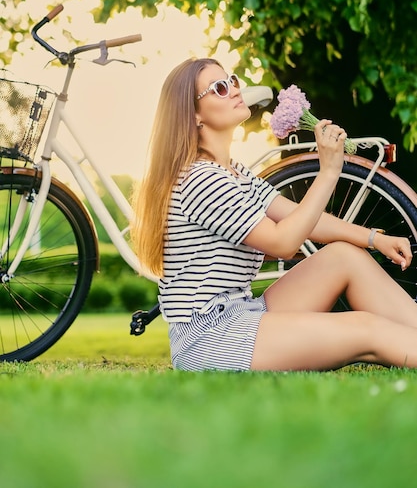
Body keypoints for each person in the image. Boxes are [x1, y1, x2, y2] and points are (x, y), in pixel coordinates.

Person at [132, 57, 417, 372]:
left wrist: (375, 238)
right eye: (219, 88)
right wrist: (328, 172)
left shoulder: (232, 172)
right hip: (210, 337)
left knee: (344, 257)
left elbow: (300, 217)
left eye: (233, 80)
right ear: (194, 115)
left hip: (244, 311)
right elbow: (283, 242)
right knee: (367, 329)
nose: (235, 90)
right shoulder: (201, 178)